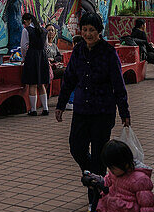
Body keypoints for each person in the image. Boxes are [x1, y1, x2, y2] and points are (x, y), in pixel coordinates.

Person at [55, 13, 130, 176]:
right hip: (81, 110)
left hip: (102, 112)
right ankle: (94, 176)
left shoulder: (109, 53)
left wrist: (124, 112)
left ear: (99, 31)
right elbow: (69, 80)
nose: (88, 34)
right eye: (84, 30)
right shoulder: (78, 51)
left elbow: (118, 85)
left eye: (92, 30)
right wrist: (60, 105)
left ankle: (96, 197)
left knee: (99, 153)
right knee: (76, 148)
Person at [20, 12, 50, 115]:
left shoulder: (26, 30)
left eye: (24, 23)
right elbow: (45, 46)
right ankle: (45, 109)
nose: (24, 25)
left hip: (32, 57)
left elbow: (23, 47)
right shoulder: (44, 31)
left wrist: (24, 58)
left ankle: (33, 110)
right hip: (42, 57)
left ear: (27, 21)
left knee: (32, 84)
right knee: (41, 84)